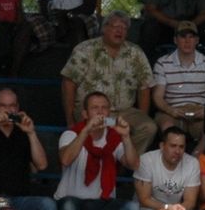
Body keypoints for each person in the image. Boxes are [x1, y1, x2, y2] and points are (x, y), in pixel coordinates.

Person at [54, 90, 137, 210]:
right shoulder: (71, 134)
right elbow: (66, 159)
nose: (100, 112)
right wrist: (86, 131)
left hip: (102, 203)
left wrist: (126, 136)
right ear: (85, 114)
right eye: (94, 108)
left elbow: (133, 164)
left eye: (104, 108)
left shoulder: (114, 137)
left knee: (131, 208)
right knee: (68, 206)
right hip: (73, 201)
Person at [61, 13, 158, 156]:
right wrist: (69, 120)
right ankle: (106, 164)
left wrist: (141, 116)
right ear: (104, 28)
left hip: (124, 111)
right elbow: (68, 83)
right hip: (92, 110)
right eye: (115, 26)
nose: (120, 30)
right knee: (104, 127)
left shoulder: (136, 52)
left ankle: (123, 165)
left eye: (124, 28)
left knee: (149, 127)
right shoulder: (85, 49)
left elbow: (144, 87)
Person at [124, 124, 205, 210]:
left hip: (177, 209)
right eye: (173, 146)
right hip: (150, 208)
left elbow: (190, 201)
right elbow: (144, 200)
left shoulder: (192, 163)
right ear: (162, 146)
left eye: (181, 147)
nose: (177, 151)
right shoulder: (147, 160)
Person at [149, 23, 205, 152]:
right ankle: (172, 161)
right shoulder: (162, 63)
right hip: (172, 110)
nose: (187, 41)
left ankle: (197, 159)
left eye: (191, 37)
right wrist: (171, 110)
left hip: (200, 110)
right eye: (183, 37)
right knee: (167, 126)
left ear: (197, 40)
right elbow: (158, 97)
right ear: (175, 40)